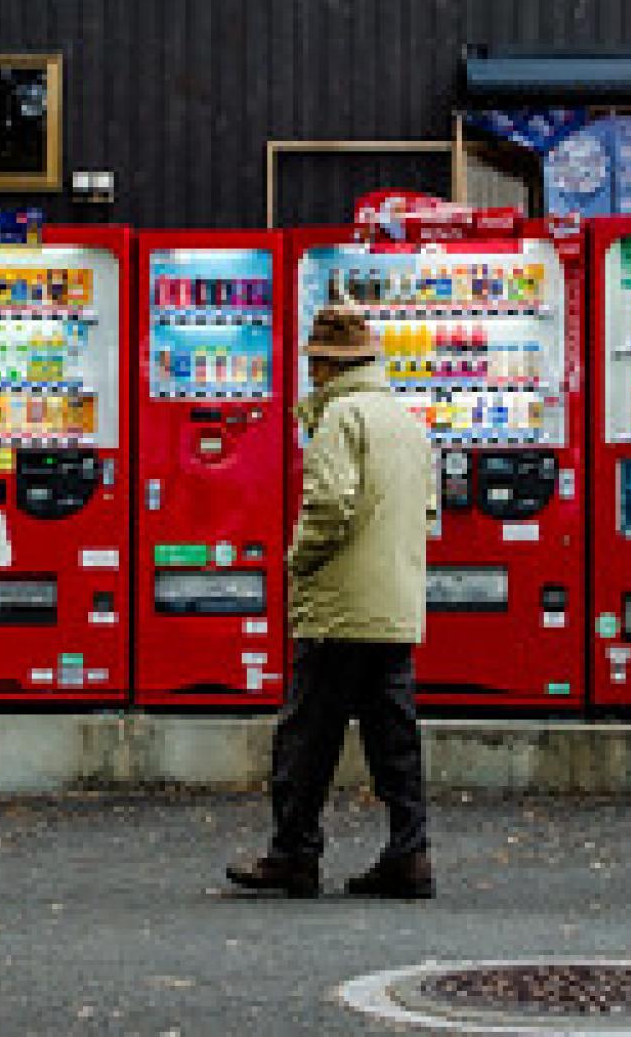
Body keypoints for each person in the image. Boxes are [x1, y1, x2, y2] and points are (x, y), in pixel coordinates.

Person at [226, 306, 437, 900]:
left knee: (307, 736)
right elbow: (428, 512)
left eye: (314, 363)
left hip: (340, 605)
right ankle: (410, 853)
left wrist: (298, 562)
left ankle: (294, 853)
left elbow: (329, 506)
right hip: (394, 604)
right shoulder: (406, 419)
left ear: (324, 364)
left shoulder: (340, 417)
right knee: (394, 737)